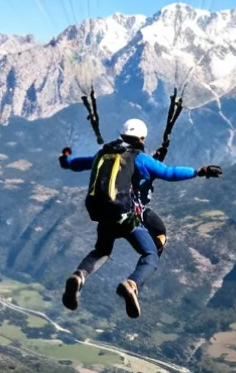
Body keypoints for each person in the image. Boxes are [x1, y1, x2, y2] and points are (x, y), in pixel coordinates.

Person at [59, 118, 222, 318]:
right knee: (151, 255)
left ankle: (79, 275)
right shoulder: (140, 159)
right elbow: (169, 173)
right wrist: (199, 171)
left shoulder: (103, 154)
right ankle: (132, 284)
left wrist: (65, 159)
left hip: (103, 215)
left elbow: (77, 163)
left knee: (102, 250)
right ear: (142, 138)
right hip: (126, 217)